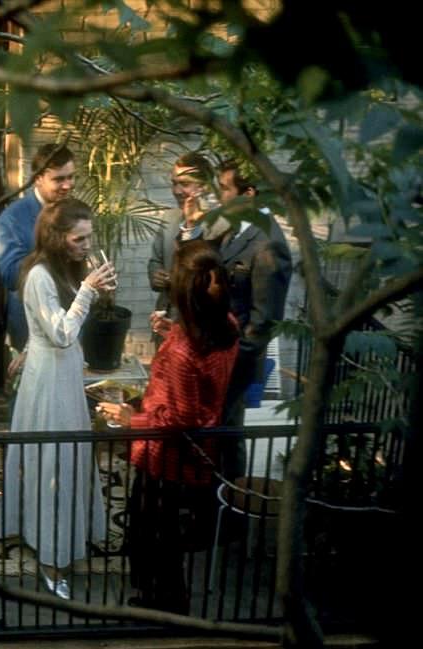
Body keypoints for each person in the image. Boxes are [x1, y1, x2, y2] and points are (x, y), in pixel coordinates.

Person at [99, 240, 240, 614]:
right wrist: (172, 331)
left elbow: (181, 418)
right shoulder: (226, 325)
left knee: (155, 537)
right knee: (162, 534)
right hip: (198, 453)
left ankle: (163, 607)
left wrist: (130, 419)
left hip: (165, 457)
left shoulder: (183, 352)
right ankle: (160, 599)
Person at [0, 198, 118, 600]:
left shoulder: (66, 268)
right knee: (53, 462)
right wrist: (87, 291)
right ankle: (51, 557)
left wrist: (96, 292)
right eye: (78, 238)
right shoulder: (38, 275)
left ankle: (67, 535)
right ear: (56, 237)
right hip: (49, 382)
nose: (86, 245)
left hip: (62, 372)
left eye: (88, 237)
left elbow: (50, 325)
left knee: (70, 458)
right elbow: (62, 333)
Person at [214, 159, 292, 476]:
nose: (219, 197)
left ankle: (230, 493)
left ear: (248, 194)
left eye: (224, 189)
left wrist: (231, 359)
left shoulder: (268, 243)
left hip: (235, 361)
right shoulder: (238, 229)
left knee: (227, 432)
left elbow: (265, 321)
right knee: (217, 429)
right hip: (219, 352)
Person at [0, 143, 75, 353]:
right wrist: (53, 251)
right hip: (31, 327)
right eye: (59, 179)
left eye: (71, 177)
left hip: (72, 321)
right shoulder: (12, 217)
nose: (67, 185)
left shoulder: (72, 210)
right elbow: (10, 276)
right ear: (38, 178)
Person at [147, 152, 216, 345]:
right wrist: (155, 275)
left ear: (204, 186)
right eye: (174, 183)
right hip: (164, 323)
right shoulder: (169, 219)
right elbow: (155, 260)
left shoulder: (219, 226)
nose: (176, 190)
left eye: (184, 184)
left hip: (199, 329)